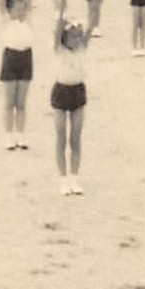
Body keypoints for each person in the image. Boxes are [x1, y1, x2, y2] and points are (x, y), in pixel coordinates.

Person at [50, 15, 89, 196]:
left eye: (79, 37)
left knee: (75, 137)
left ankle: (74, 176)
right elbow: (57, 32)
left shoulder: (82, 49)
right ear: (65, 39)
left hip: (78, 91)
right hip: (61, 91)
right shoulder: (59, 50)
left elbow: (92, 24)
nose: (77, 40)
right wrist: (61, 12)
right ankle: (63, 178)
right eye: (73, 37)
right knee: (61, 137)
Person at [0, 0, 34, 152]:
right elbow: (1, 0)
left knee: (21, 103)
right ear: (9, 11)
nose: (21, 13)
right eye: (17, 10)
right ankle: (8, 135)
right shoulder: (6, 21)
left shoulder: (28, 21)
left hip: (25, 57)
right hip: (11, 57)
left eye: (23, 9)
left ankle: (21, 134)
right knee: (9, 102)